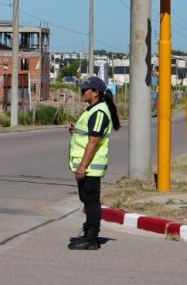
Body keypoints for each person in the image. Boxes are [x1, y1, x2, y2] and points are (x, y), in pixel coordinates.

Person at [67, 76, 120, 250]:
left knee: (91, 200)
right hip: (86, 165)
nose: (82, 92)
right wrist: (76, 130)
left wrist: (83, 166)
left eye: (85, 90)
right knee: (87, 199)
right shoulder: (92, 109)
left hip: (90, 166)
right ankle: (88, 231)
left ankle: (92, 238)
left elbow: (94, 141)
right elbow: (88, 135)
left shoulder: (99, 112)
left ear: (95, 93)